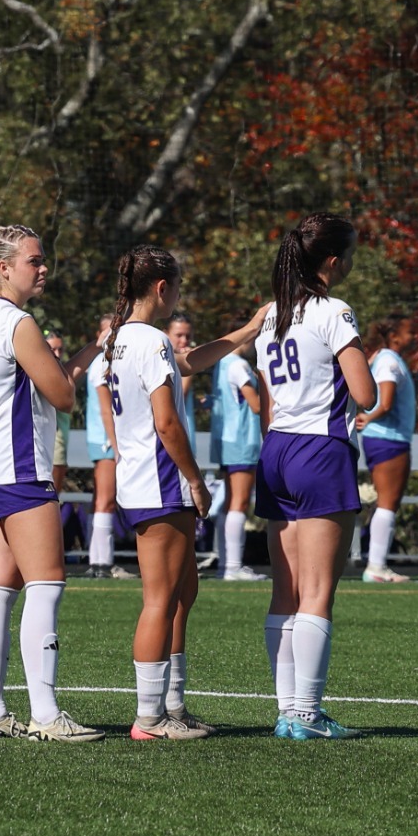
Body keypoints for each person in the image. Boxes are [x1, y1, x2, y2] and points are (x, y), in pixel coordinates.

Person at [0, 224, 105, 742]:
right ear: (3, 268)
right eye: (34, 260)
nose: (43, 267)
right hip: (19, 469)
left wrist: (86, 350)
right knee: (46, 585)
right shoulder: (17, 322)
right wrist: (91, 350)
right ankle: (47, 715)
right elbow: (63, 395)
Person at [104, 248, 265, 741]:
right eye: (176, 287)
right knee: (160, 599)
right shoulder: (150, 339)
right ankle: (149, 718)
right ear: (161, 288)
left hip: (143, 479)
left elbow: (190, 361)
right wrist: (195, 479)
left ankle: (172, 704)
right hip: (159, 480)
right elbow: (167, 423)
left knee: (181, 592)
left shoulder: (121, 337)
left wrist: (247, 330)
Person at [255, 212, 377, 740]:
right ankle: (305, 714)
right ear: (332, 260)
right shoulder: (334, 310)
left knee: (285, 589)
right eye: (349, 256)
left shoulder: (271, 315)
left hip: (276, 449)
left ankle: (287, 711)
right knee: (319, 589)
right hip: (319, 449)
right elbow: (366, 394)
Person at [353, 314, 415, 582]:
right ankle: (376, 566)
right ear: (394, 336)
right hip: (389, 438)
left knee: (387, 502)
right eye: (410, 332)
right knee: (389, 503)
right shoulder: (389, 360)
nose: (414, 336)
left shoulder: (383, 357)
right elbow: (386, 402)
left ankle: (377, 565)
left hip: (384, 438)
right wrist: (369, 418)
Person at [210, 335, 267, 580]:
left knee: (230, 502)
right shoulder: (238, 365)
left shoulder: (220, 363)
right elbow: (256, 405)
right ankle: (233, 566)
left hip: (226, 439)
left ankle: (226, 565)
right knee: (239, 502)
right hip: (242, 439)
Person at [82, 315, 129, 580]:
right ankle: (102, 562)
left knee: (103, 499)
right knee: (106, 499)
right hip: (106, 439)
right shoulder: (101, 363)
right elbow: (105, 409)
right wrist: (116, 444)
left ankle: (99, 560)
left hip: (108, 438)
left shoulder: (114, 361)